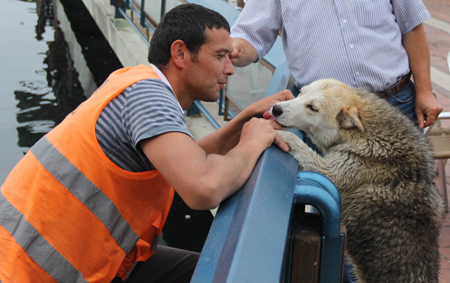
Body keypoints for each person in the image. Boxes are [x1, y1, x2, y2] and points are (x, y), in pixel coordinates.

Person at [0, 4, 294, 283]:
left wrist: (245, 119)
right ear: (180, 53)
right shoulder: (148, 98)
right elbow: (204, 187)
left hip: (85, 256)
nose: (230, 69)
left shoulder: (134, 80)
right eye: (220, 56)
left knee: (210, 271)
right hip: (29, 271)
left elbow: (188, 158)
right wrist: (253, 142)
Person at [230, 0, 443, 129]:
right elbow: (249, 37)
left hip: (394, 103)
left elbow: (412, 28)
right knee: (340, 197)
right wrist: (236, 48)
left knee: (405, 192)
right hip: (326, 117)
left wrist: (425, 91)